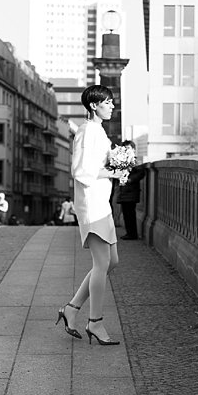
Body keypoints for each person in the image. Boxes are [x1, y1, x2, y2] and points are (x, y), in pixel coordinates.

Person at [56, 85, 125, 346]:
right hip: (91, 204)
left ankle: (71, 309)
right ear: (94, 105)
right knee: (101, 263)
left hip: (101, 203)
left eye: (112, 102)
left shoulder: (98, 131)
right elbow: (81, 171)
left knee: (112, 261)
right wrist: (113, 173)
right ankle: (95, 322)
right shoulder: (86, 131)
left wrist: (119, 161)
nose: (112, 106)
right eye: (107, 102)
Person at [116, 140, 145, 240]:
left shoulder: (135, 161)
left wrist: (130, 180)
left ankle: (132, 234)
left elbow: (141, 173)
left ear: (133, 150)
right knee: (126, 213)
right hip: (124, 192)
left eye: (128, 148)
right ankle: (129, 233)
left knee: (130, 214)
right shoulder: (123, 161)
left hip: (131, 191)